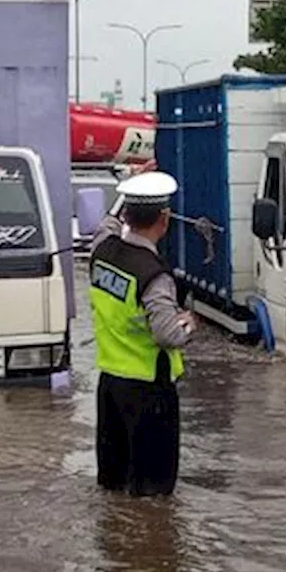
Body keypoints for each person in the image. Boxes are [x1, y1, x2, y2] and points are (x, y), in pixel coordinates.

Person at [88, 169, 196, 496]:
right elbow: (167, 335)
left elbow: (107, 224)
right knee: (154, 496)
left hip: (110, 387)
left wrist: (128, 189)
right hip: (150, 393)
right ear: (164, 219)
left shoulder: (101, 252)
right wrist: (188, 322)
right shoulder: (155, 276)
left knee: (114, 484)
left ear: (127, 216)